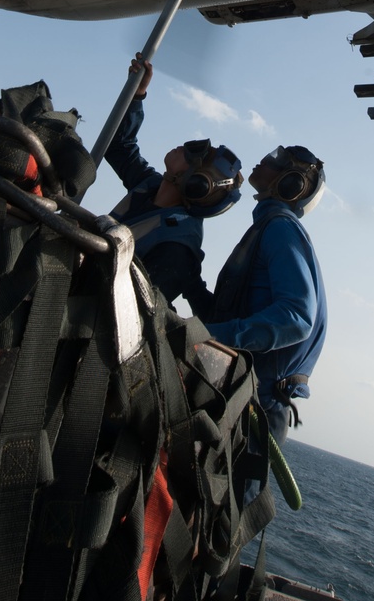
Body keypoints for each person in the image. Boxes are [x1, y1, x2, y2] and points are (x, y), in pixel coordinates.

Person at [188, 144, 328, 446]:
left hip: (254, 410)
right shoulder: (266, 227)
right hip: (236, 397)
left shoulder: (281, 229)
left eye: (278, 160)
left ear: (293, 183)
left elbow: (297, 318)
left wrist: (205, 338)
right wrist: (192, 285)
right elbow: (229, 318)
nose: (265, 159)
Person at [103, 54, 243, 305]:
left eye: (195, 157)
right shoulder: (150, 185)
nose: (184, 146)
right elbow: (118, 147)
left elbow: (132, 310)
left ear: (197, 184)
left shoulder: (178, 250)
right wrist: (137, 94)